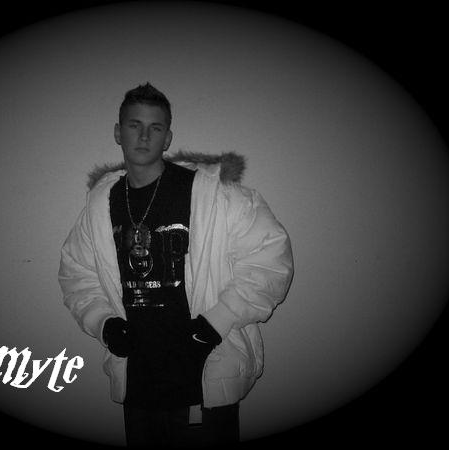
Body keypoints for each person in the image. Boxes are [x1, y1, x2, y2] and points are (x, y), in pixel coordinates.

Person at [58, 83, 294, 447]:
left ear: (168, 138)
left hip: (204, 372)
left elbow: (270, 261)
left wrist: (215, 324)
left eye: (155, 127)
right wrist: (103, 323)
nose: (144, 136)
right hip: (137, 380)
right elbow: (77, 274)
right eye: (134, 125)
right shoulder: (100, 203)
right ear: (118, 132)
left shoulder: (217, 194)